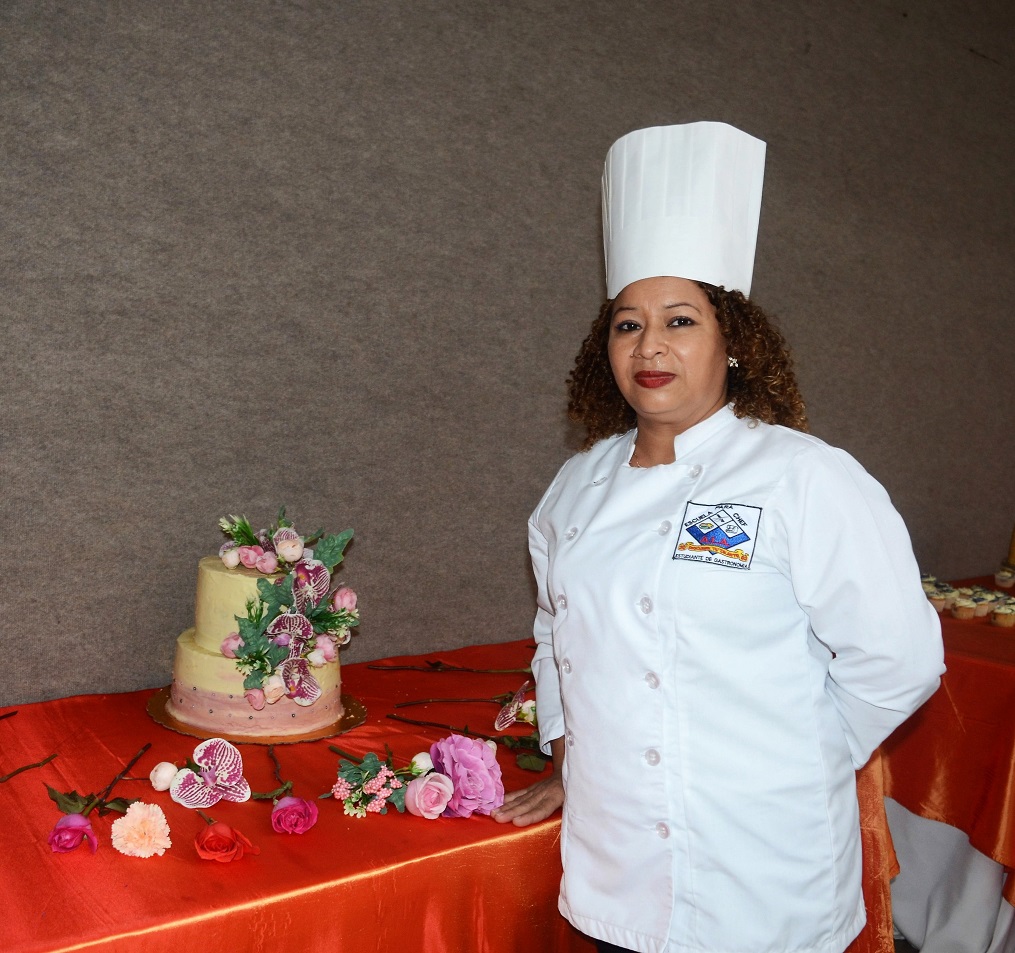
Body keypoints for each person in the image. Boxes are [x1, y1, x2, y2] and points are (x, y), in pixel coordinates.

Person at [492, 123, 944, 953]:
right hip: (618, 860)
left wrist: (796, 760)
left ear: (732, 340)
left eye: (679, 320)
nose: (650, 346)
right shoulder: (576, 485)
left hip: (764, 867)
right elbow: (556, 626)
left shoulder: (805, 477)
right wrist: (570, 753)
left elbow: (901, 657)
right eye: (627, 325)